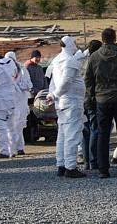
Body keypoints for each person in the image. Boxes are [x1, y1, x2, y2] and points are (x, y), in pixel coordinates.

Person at [84, 28, 117, 179]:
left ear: (103, 39)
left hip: (102, 100)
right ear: (115, 38)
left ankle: (103, 169)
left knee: (103, 134)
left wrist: (92, 94)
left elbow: (88, 78)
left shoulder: (94, 57)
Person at [48, 36, 87, 178]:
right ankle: (71, 167)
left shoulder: (56, 60)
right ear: (70, 44)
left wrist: (53, 95)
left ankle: (61, 164)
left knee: (62, 135)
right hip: (71, 102)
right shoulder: (69, 61)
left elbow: (53, 82)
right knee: (72, 135)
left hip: (62, 103)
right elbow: (66, 81)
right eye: (75, 43)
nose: (76, 46)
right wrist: (54, 95)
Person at [81, 39, 103, 171]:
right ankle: (94, 160)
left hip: (81, 99)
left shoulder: (81, 61)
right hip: (92, 99)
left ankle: (86, 161)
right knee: (95, 129)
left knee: (86, 132)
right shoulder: (96, 62)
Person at [6, 51, 33, 156]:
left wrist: (18, 86)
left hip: (20, 101)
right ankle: (13, 148)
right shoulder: (4, 69)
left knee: (19, 126)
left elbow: (28, 84)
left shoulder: (22, 70)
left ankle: (18, 148)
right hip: (9, 101)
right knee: (11, 126)